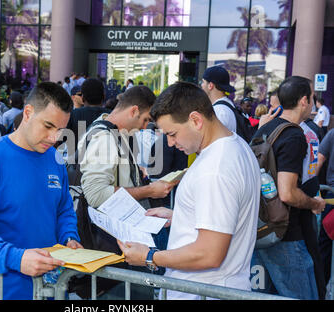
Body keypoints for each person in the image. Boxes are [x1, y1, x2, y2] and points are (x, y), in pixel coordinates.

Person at [118, 81, 261, 300]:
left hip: (203, 290)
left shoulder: (215, 168)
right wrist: (182, 217)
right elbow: (225, 215)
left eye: (172, 133)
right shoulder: (235, 146)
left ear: (196, 120)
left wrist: (149, 256)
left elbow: (209, 254)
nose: (170, 142)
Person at [0, 82, 82, 300]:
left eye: (60, 130)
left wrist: (69, 237)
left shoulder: (55, 159)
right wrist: (16, 258)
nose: (54, 137)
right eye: (48, 126)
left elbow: (63, 210)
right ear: (28, 113)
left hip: (48, 290)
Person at [78, 85, 175, 299]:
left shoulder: (115, 133)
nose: (144, 127)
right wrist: (149, 189)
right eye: (144, 120)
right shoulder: (104, 137)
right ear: (133, 111)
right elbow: (96, 194)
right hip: (113, 241)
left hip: (123, 239)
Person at [250, 76, 325, 300]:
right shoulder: (294, 135)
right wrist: (314, 203)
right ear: (304, 101)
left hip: (261, 228)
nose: (312, 103)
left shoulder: (265, 127)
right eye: (312, 98)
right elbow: (287, 192)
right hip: (286, 235)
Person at [63, 78, 111, 155]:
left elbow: (62, 140)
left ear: (82, 97)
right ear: (104, 96)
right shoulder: (111, 116)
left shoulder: (73, 115)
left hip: (78, 164)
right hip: (107, 164)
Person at [317, 129, 334, 288]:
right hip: (331, 201)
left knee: (325, 250)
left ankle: (321, 291)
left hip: (331, 201)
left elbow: (319, 161)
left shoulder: (333, 133)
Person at [200, 66, 237, 133]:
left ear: (210, 85)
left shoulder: (219, 111)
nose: (201, 85)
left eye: (203, 82)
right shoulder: (226, 105)